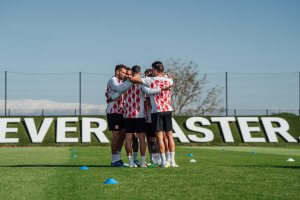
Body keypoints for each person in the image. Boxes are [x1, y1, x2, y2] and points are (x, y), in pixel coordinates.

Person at [109, 65, 172, 167]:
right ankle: (143, 163)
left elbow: (119, 91)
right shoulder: (141, 83)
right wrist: (162, 88)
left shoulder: (126, 83)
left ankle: (130, 162)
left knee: (128, 138)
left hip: (128, 115)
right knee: (142, 139)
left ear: (132, 73)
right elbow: (149, 92)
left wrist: (111, 98)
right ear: (139, 73)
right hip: (139, 115)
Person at [132, 61, 178, 168]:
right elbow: (171, 79)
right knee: (170, 136)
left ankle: (162, 162)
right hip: (168, 109)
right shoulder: (169, 80)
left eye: (153, 70)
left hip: (157, 111)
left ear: (156, 70)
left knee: (159, 137)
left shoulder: (151, 79)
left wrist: (133, 77)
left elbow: (133, 79)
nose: (152, 71)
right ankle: (172, 162)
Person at [105, 64, 132, 167]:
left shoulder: (123, 82)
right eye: (123, 73)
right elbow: (119, 89)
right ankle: (114, 160)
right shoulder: (113, 80)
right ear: (117, 71)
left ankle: (118, 159)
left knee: (122, 136)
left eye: (126, 73)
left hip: (122, 111)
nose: (125, 75)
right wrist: (130, 81)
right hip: (113, 111)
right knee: (116, 136)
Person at [144, 69, 160, 167]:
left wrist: (146, 101)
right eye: (146, 76)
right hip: (145, 117)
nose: (147, 77)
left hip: (154, 115)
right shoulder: (143, 87)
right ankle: (151, 159)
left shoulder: (154, 86)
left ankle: (157, 159)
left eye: (149, 75)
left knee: (155, 140)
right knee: (149, 140)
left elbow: (148, 102)